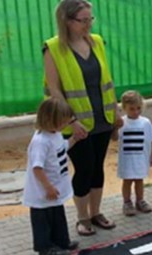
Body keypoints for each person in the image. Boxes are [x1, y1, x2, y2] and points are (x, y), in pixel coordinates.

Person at [43, 0, 122, 236]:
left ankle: (96, 213)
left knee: (97, 167)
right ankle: (82, 218)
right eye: (83, 20)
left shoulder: (96, 42)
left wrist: (116, 111)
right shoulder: (53, 48)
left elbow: (108, 80)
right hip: (75, 124)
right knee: (84, 168)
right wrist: (71, 121)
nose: (88, 24)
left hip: (103, 118)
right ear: (67, 21)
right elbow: (54, 90)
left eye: (91, 19)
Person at [23, 98, 80, 255]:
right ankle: (45, 248)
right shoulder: (41, 141)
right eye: (63, 122)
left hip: (56, 187)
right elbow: (37, 167)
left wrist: (74, 139)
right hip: (43, 191)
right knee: (43, 219)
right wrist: (47, 187)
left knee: (57, 215)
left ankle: (62, 241)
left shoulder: (55, 134)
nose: (66, 125)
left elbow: (61, 149)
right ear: (50, 120)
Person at [114, 91, 152, 216]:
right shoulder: (121, 123)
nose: (135, 112)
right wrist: (115, 127)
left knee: (139, 180)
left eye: (138, 108)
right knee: (127, 181)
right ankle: (127, 202)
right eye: (132, 109)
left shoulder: (146, 122)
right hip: (127, 160)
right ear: (124, 108)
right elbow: (114, 138)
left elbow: (151, 139)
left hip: (141, 159)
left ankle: (140, 200)